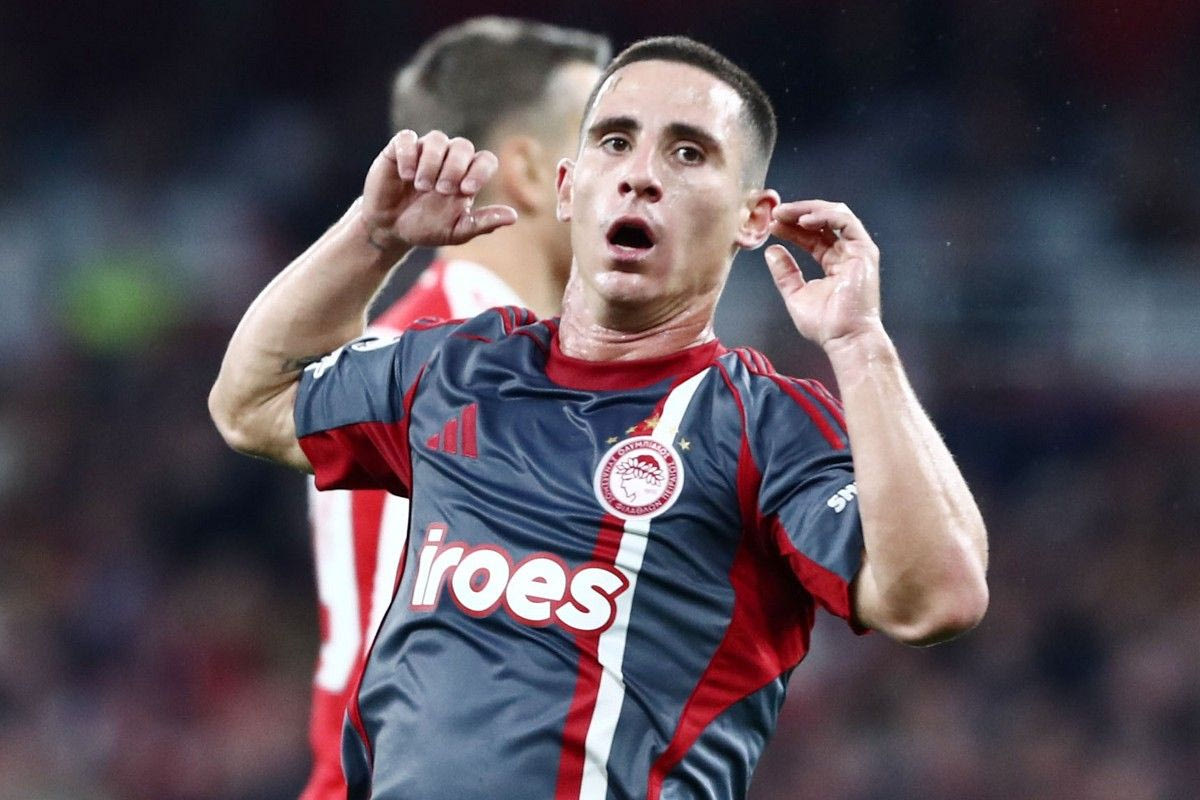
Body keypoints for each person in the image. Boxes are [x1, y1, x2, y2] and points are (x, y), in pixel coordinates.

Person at [210, 35, 989, 800]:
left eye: (688, 153)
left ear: (753, 219)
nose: (640, 176)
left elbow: (939, 596)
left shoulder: (764, 426)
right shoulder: (457, 368)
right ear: (565, 187)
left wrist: (859, 343)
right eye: (615, 142)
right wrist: (371, 238)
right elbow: (252, 403)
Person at [296, 18, 610, 800]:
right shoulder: (423, 375)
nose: (637, 176)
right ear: (532, 172)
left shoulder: (517, 365)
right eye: (606, 142)